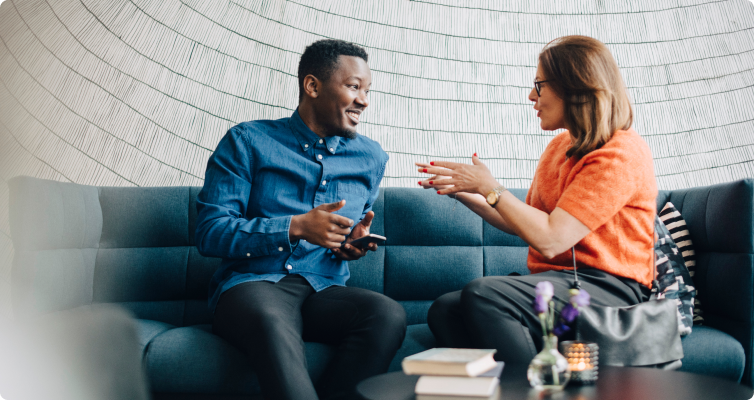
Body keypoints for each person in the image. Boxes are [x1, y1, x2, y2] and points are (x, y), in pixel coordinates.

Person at [417, 35, 657, 364]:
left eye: (540, 85)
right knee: (446, 310)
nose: (532, 96)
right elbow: (525, 222)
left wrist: (491, 187)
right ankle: (517, 379)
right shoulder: (558, 147)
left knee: (484, 294)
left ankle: (533, 389)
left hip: (611, 288)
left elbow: (550, 239)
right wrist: (465, 190)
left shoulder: (620, 153)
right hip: (558, 283)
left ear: (576, 87)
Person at [195, 39, 406, 400]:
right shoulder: (248, 140)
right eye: (354, 87)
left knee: (386, 314)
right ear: (312, 86)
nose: (364, 101)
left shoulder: (371, 158)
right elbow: (210, 232)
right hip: (252, 284)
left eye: (367, 90)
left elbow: (341, 236)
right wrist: (295, 227)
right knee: (270, 319)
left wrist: (349, 244)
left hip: (323, 289)